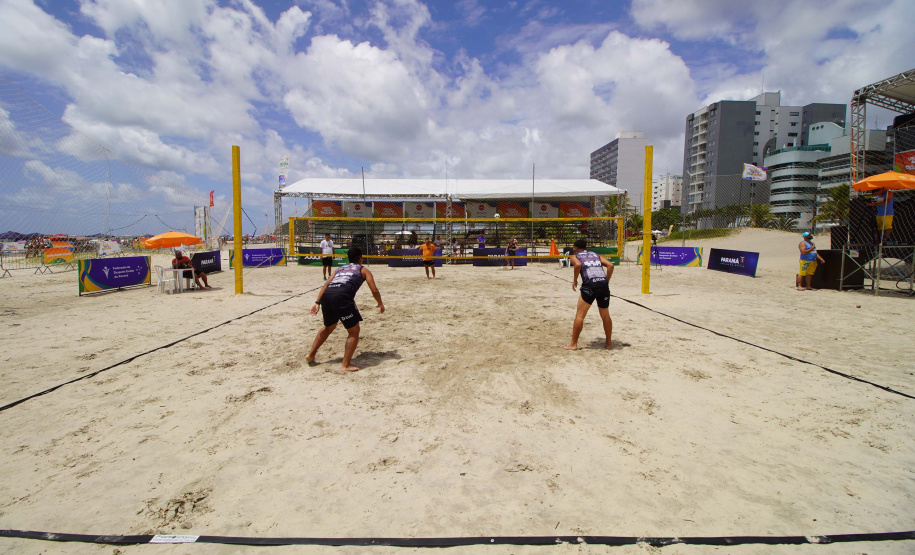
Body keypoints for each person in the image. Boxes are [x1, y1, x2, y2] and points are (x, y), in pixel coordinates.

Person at [306, 248, 385, 372]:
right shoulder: (363, 269)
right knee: (354, 331)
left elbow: (326, 284)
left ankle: (310, 354)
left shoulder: (340, 269)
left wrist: (317, 302)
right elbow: (374, 290)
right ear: (360, 258)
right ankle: (345, 365)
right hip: (342, 298)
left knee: (329, 327)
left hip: (327, 296)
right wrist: (380, 303)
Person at [566, 239, 614, 350]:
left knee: (580, 315)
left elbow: (577, 265)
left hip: (589, 285)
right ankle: (609, 344)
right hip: (602, 284)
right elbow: (610, 266)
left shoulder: (575, 256)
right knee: (605, 315)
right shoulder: (595, 254)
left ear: (574, 248)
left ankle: (573, 344)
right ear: (586, 247)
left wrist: (574, 280)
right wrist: (606, 281)